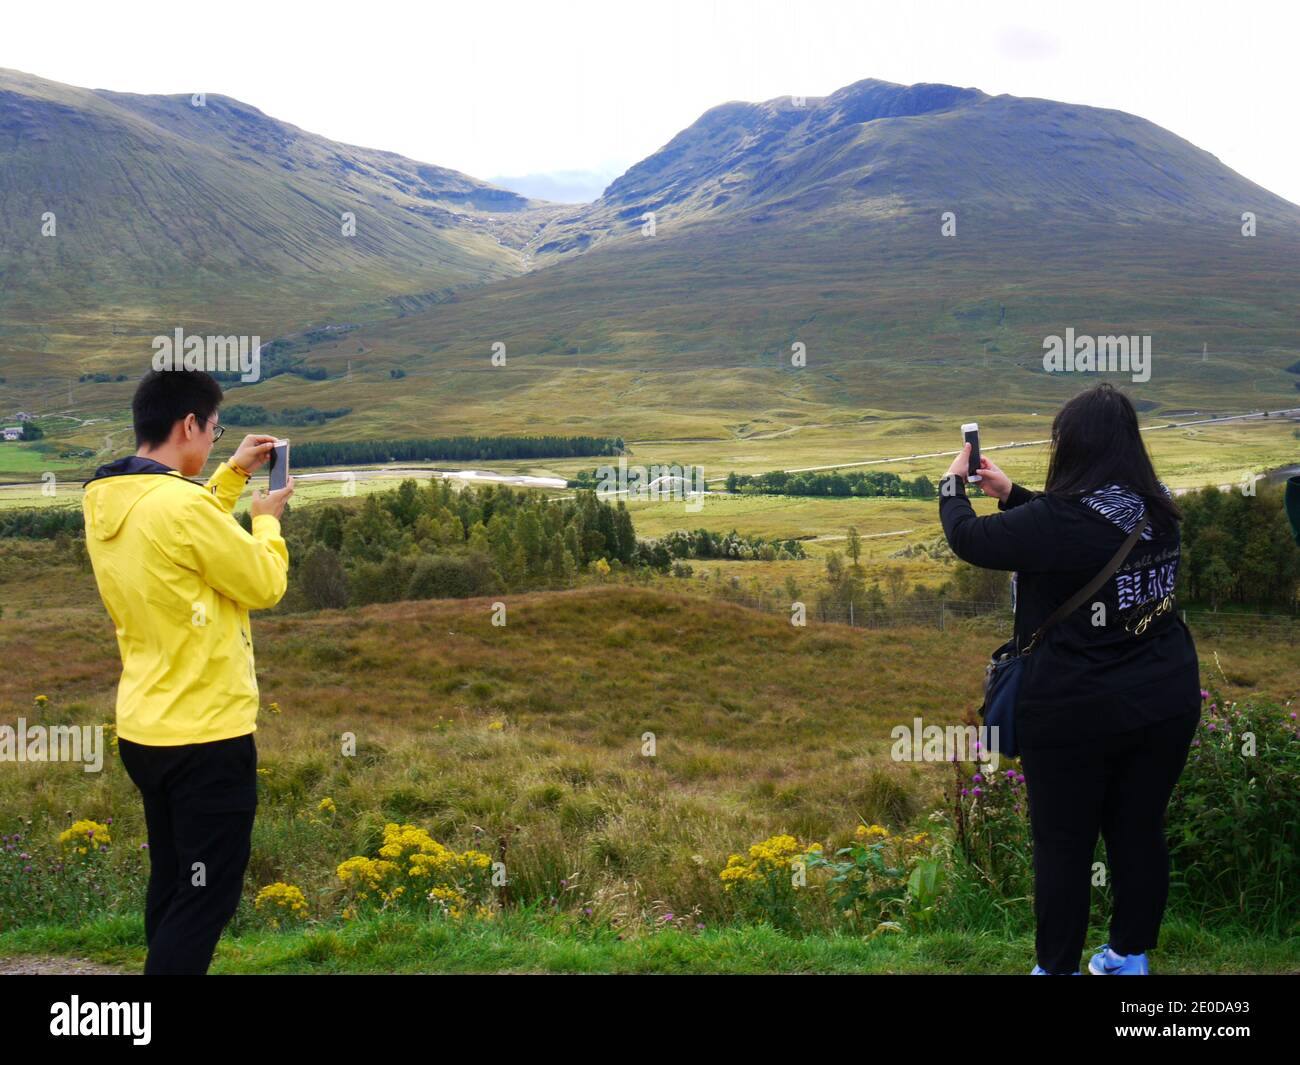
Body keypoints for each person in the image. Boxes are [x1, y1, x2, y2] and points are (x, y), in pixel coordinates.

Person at [937, 383, 1200, 976]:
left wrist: (952, 486)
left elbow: (970, 539)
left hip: (1076, 713)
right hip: (1165, 697)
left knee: (1063, 846)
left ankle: (1056, 969)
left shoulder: (1062, 518)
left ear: (1072, 447)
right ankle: (1129, 959)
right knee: (1138, 830)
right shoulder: (1158, 504)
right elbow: (1086, 540)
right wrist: (1012, 495)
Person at [82, 368, 294, 974]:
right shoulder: (178, 505)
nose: (212, 437)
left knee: (175, 882)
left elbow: (179, 530)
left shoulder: (106, 496)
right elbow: (262, 583)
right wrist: (267, 519)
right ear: (190, 424)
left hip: (146, 730)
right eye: (213, 428)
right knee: (206, 897)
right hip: (206, 735)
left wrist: (230, 475)